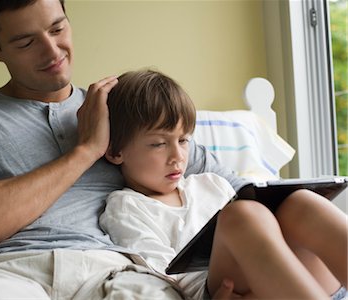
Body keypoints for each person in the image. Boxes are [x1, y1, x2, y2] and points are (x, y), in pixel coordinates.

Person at [0, 0, 243, 299]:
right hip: (8, 271)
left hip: (118, 273)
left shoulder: (120, 108)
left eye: (58, 28)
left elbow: (240, 191)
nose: (52, 51)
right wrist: (84, 151)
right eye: (26, 42)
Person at [99, 69, 348, 300]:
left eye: (184, 140)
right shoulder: (125, 207)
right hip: (220, 293)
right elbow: (163, 276)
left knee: (299, 202)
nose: (178, 156)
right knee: (241, 215)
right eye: (158, 144)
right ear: (115, 151)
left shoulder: (211, 183)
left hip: (293, 285)